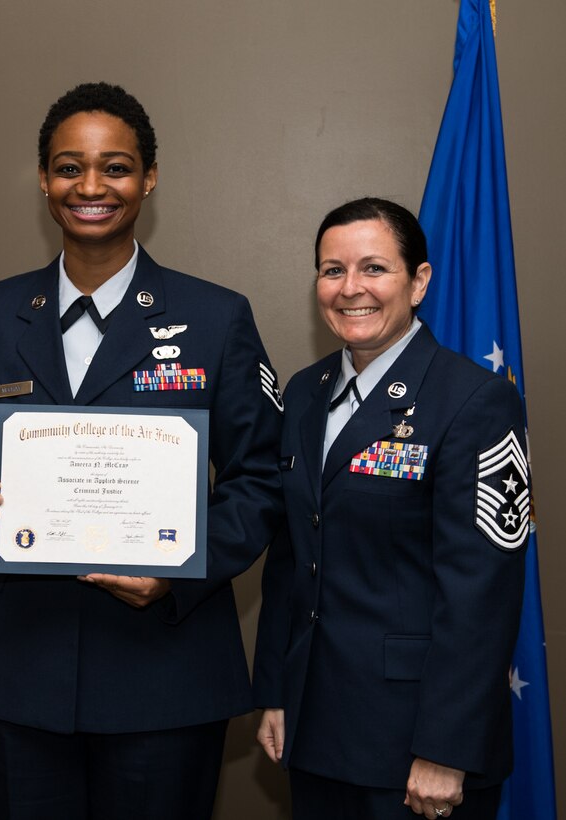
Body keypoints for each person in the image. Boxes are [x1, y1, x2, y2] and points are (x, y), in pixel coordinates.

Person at [0, 82, 284, 820]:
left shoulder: (215, 318)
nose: (90, 187)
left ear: (148, 178)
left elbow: (260, 478)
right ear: (43, 179)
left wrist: (180, 570)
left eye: (115, 167)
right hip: (20, 667)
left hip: (165, 671)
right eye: (69, 167)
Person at [252, 198, 528, 820]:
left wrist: (446, 749)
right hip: (315, 727)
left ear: (419, 282)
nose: (351, 288)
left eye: (374, 268)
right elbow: (291, 558)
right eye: (332, 270)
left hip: (415, 744)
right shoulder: (304, 392)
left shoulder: (474, 400)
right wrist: (277, 689)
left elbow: (480, 595)